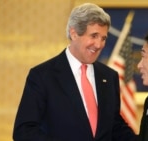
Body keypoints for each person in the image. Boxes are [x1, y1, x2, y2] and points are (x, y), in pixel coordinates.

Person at [13, 3, 137, 141]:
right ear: (74, 34)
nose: (99, 45)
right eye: (94, 36)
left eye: (103, 38)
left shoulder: (109, 76)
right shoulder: (42, 76)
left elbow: (114, 126)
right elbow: (24, 131)